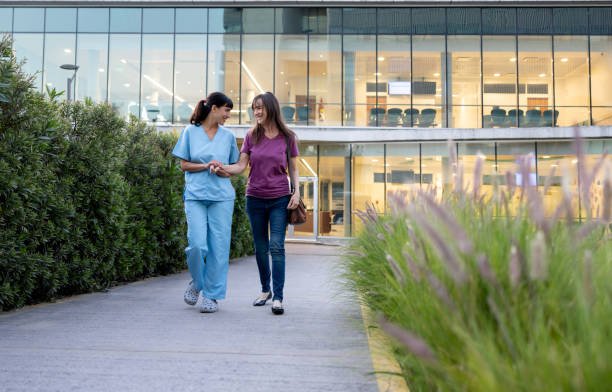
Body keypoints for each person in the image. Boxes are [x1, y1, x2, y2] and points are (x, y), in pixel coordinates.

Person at [216, 92, 300, 315]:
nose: (257, 112)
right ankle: (265, 291)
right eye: (254, 108)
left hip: (280, 198)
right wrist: (223, 168)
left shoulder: (288, 137)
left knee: (276, 246)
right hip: (255, 198)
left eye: (260, 107)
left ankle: (278, 297)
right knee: (261, 248)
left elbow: (293, 168)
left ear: (271, 108)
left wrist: (297, 192)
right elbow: (241, 166)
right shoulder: (251, 135)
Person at [172, 92, 239, 313]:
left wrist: (220, 170)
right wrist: (205, 165)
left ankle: (212, 296)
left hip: (221, 197)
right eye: (226, 110)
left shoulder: (228, 137)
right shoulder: (190, 132)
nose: (228, 115)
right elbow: (183, 165)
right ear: (214, 109)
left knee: (219, 249)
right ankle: (198, 283)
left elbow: (231, 170)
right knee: (197, 245)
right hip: (195, 196)